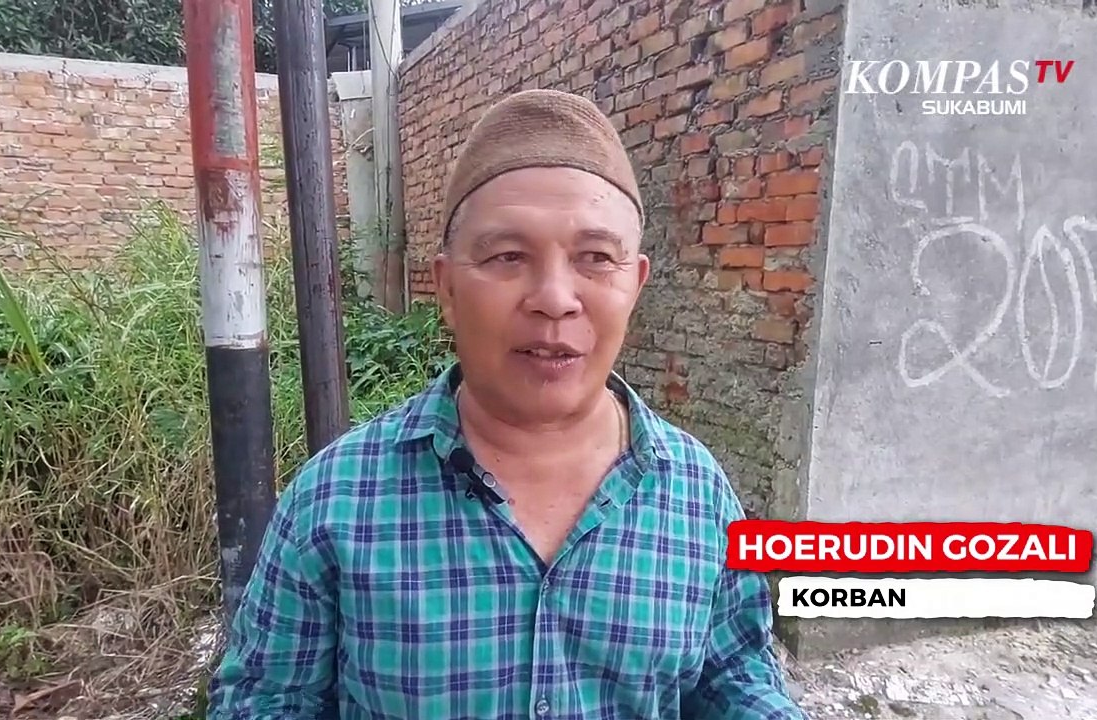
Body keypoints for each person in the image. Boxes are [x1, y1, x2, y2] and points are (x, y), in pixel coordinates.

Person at [206, 88, 805, 720]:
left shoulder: (697, 494)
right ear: (446, 287)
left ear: (635, 283)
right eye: (508, 256)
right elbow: (265, 701)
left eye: (596, 258)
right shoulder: (336, 501)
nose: (555, 299)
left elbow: (732, 674)